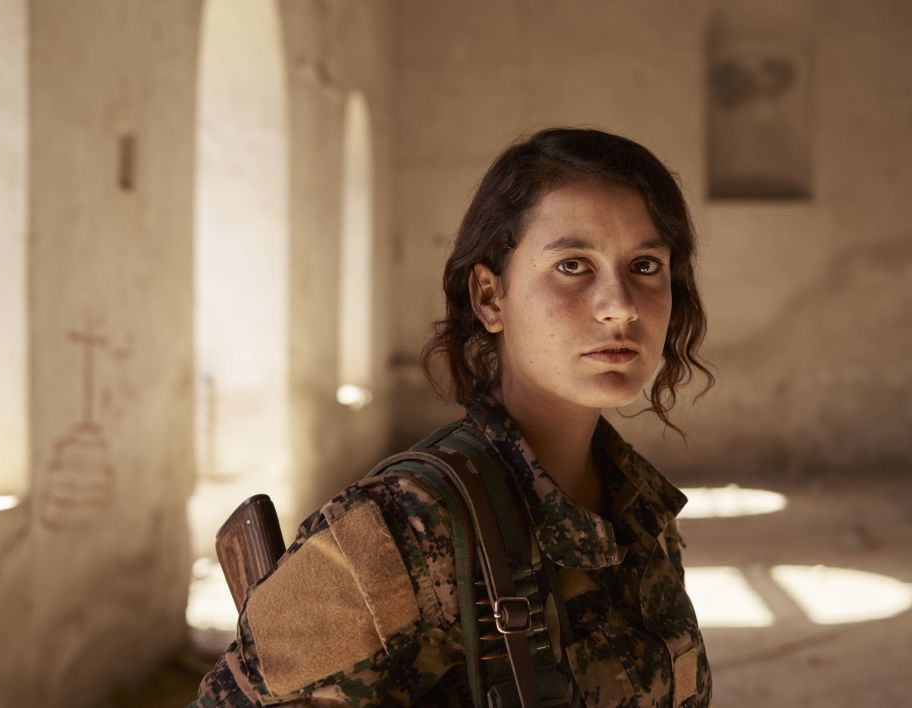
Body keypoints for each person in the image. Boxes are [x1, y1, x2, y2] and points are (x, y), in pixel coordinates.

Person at [191, 127, 714, 707]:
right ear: (490, 298)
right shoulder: (403, 526)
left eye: (645, 266)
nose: (619, 304)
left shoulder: (639, 511)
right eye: (572, 265)